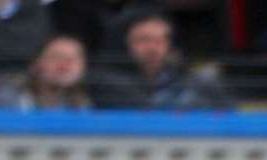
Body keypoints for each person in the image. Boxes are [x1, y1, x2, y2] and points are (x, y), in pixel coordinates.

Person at [91, 10, 229, 110]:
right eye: (143, 40)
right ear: (124, 42)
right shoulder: (105, 82)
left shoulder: (191, 82)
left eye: (160, 40)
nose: (153, 48)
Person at [0, 33, 90, 109]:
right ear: (36, 63)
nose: (65, 66)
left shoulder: (84, 102)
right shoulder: (7, 98)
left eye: (73, 59)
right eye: (57, 57)